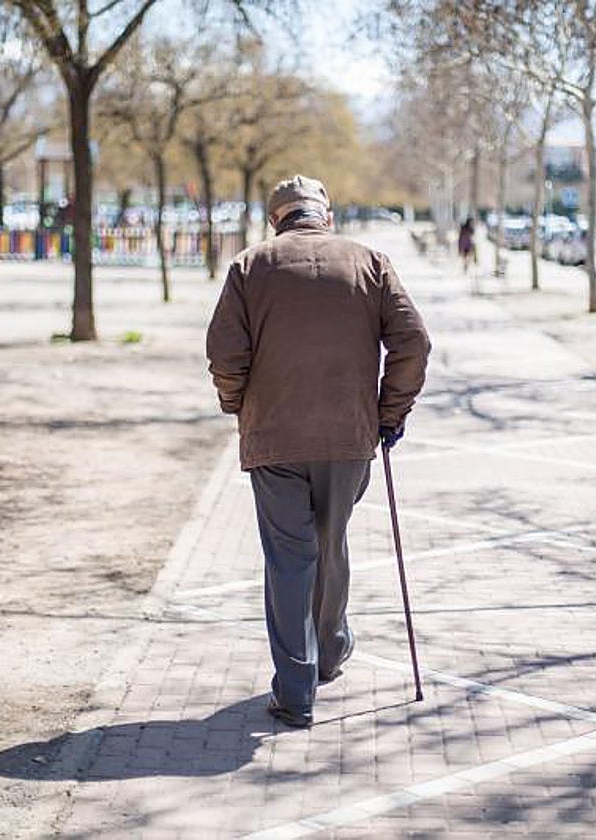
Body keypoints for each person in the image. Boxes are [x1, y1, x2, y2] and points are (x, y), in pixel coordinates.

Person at [206, 175, 431, 728]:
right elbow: (414, 342)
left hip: (274, 438)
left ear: (275, 219)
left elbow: (224, 354)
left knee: (289, 558)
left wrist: (240, 405)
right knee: (330, 542)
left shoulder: (249, 268)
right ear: (325, 215)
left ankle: (296, 690)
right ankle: (330, 650)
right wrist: (388, 412)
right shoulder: (368, 262)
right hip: (348, 437)